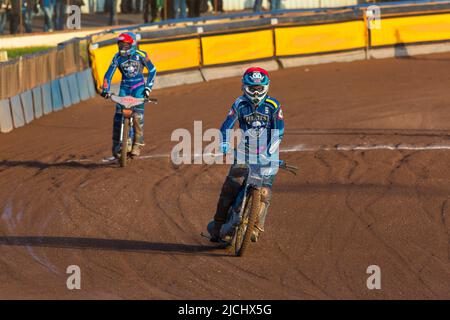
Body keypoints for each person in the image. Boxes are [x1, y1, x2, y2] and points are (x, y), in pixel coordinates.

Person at [207, 67, 285, 243]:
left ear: (266, 87)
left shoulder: (273, 105)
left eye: (259, 88)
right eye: (252, 88)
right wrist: (225, 143)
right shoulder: (239, 104)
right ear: (244, 87)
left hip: (268, 154)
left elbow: (279, 131)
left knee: (265, 192)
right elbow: (226, 125)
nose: (256, 92)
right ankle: (218, 224)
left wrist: (270, 152)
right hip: (244, 152)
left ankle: (256, 227)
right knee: (231, 186)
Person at [100, 32, 157, 158]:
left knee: (137, 116)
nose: (122, 48)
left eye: (125, 45)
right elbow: (108, 74)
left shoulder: (141, 55)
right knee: (118, 116)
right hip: (124, 89)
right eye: (120, 45)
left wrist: (148, 88)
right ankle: (116, 144)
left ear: (132, 44)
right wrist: (105, 89)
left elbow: (152, 70)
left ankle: (138, 144)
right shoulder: (117, 58)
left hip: (139, 89)